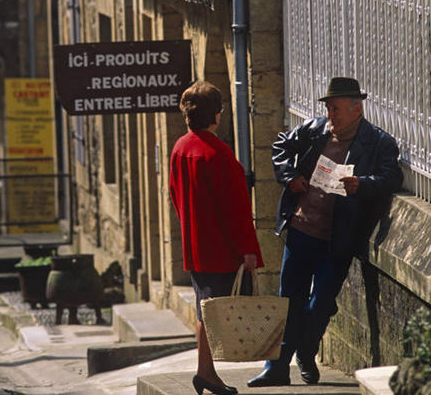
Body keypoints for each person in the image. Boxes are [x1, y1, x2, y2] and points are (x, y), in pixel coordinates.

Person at [248, 77, 403, 387]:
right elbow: (280, 145)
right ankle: (276, 367)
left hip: (338, 237)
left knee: (320, 304)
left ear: (357, 109)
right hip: (301, 229)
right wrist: (290, 176)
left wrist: (362, 184)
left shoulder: (377, 142)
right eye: (329, 108)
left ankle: (306, 352)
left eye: (336, 109)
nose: (330, 115)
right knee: (289, 300)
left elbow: (391, 178)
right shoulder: (315, 129)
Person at [169, 81, 264, 395]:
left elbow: (174, 194)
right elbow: (235, 209)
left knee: (205, 310)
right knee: (213, 312)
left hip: (196, 244)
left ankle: (206, 373)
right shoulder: (218, 153)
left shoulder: (180, 148)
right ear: (216, 114)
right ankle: (206, 374)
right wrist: (248, 250)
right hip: (221, 249)